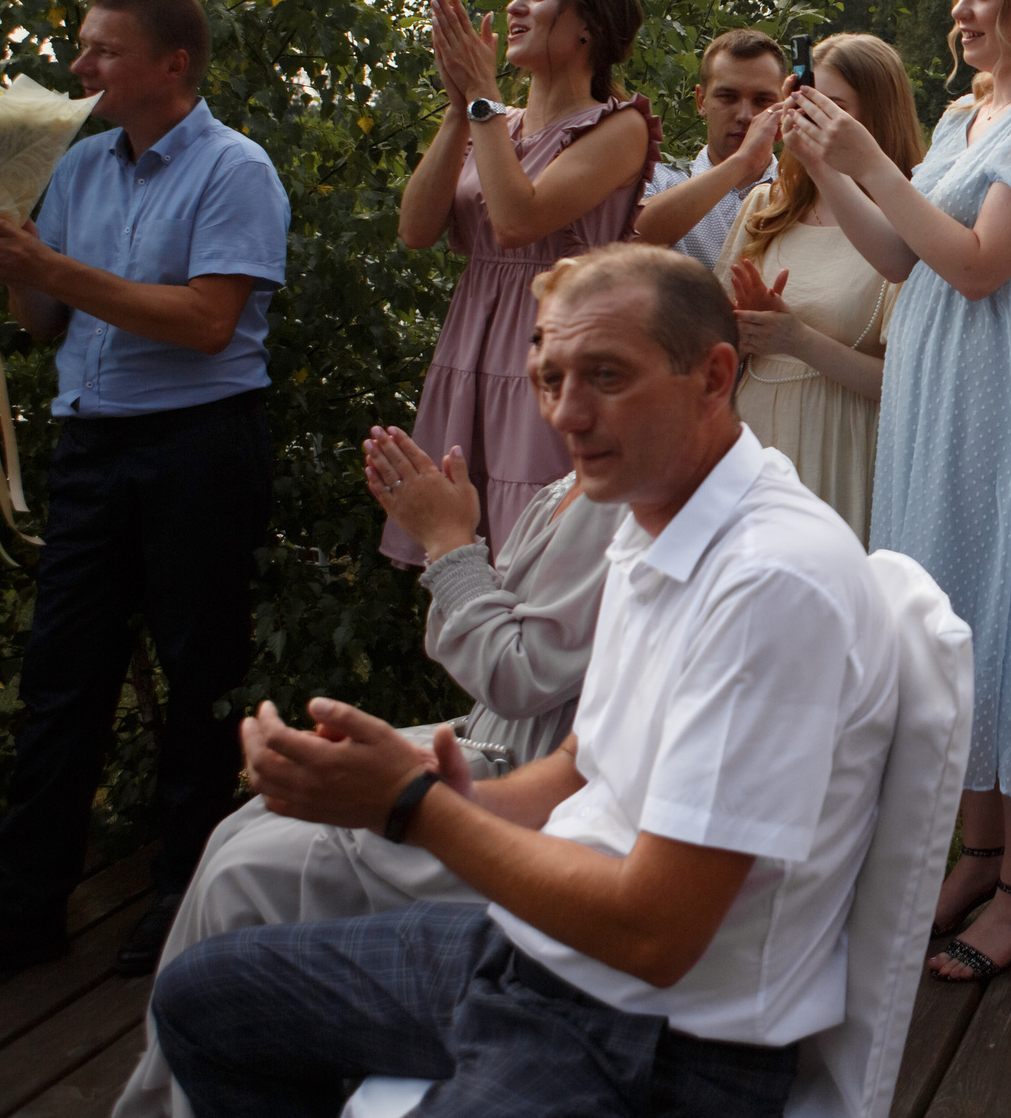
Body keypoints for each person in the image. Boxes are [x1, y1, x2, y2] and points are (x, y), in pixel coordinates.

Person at [145, 245, 900, 1118]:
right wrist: (436, 784)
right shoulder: (661, 512)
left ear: (714, 374)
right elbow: (585, 761)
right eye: (550, 378)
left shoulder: (769, 581)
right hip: (543, 959)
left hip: (659, 1038)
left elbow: (657, 934)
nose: (567, 414)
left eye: (606, 375)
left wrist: (409, 807)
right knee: (202, 1000)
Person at [0, 0, 289, 998]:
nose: (79, 68)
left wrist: (50, 270)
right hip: (94, 448)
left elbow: (206, 323)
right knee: (62, 679)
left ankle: (186, 900)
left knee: (201, 681)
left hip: (200, 446)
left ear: (171, 66)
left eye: (102, 51)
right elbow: (43, 326)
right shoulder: (75, 169)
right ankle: (20, 910)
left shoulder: (237, 170)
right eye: (82, 48)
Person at [113, 428, 625, 1118]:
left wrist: (448, 540)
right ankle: (172, 1089)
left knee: (249, 872)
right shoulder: (570, 487)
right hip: (491, 751)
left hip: (536, 800)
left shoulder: (639, 506)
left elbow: (516, 672)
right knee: (245, 827)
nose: (562, 398)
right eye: (546, 356)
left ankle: (181, 1089)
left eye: (602, 369)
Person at [779, 0, 1011, 982]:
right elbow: (898, 257)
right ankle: (973, 857)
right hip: (928, 387)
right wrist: (828, 167)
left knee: (1009, 618)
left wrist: (870, 152)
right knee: (944, 614)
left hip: (995, 393)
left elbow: (975, 264)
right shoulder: (968, 116)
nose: (961, 13)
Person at [384, 0, 657, 565]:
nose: (514, 5)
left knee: (532, 556)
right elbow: (416, 228)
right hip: (472, 343)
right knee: (456, 550)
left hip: (551, 349)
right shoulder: (491, 123)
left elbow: (516, 222)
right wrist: (461, 109)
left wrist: (481, 95)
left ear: (587, 23)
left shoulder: (618, 127)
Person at [722, 33, 921, 539]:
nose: (812, 120)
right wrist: (738, 328)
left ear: (876, 117)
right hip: (753, 442)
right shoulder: (766, 207)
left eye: (833, 108)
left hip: (846, 447)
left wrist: (797, 340)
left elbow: (908, 383)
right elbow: (709, 335)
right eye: (806, 103)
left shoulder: (914, 221)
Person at [637, 29, 788, 262]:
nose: (745, 115)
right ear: (701, 100)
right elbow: (624, 240)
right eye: (728, 96)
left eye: (762, 100)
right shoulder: (658, 181)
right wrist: (743, 161)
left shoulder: (801, 194)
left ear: (785, 104)